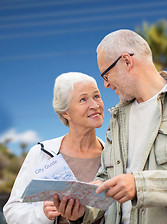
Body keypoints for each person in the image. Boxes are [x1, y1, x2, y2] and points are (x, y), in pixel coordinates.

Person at [62, 29, 167, 224]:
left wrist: (140, 185)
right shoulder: (118, 118)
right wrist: (83, 210)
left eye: (106, 75)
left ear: (126, 61)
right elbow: (106, 178)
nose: (106, 85)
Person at [3, 72, 105, 224]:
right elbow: (11, 211)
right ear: (66, 112)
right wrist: (43, 214)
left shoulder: (112, 155)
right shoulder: (41, 153)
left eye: (96, 96)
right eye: (83, 99)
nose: (95, 105)